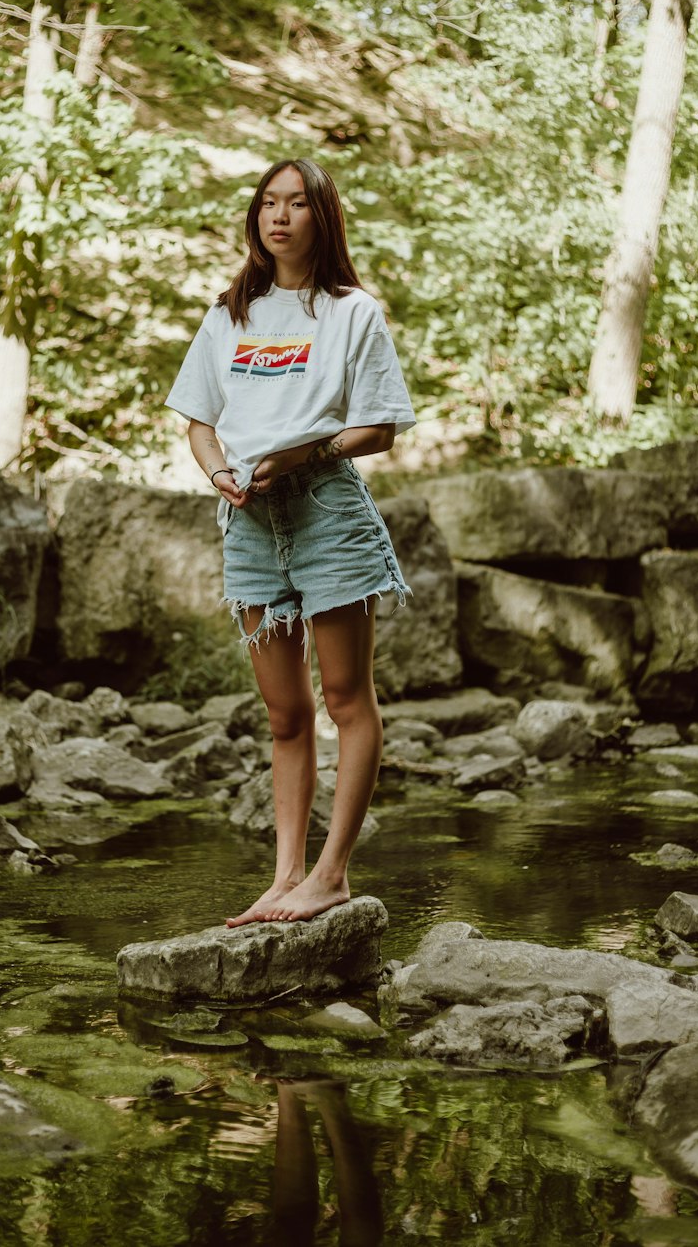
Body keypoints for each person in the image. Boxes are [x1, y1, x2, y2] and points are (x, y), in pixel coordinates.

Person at [165, 158, 415, 925]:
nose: (280, 216)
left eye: (296, 203)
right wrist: (219, 473)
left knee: (346, 698)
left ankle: (333, 874)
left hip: (325, 513)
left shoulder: (351, 314)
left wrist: (306, 453)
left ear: (322, 216)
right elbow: (199, 421)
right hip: (248, 523)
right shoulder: (229, 314)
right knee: (284, 715)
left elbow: (380, 427)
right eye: (268, 203)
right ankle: (285, 877)